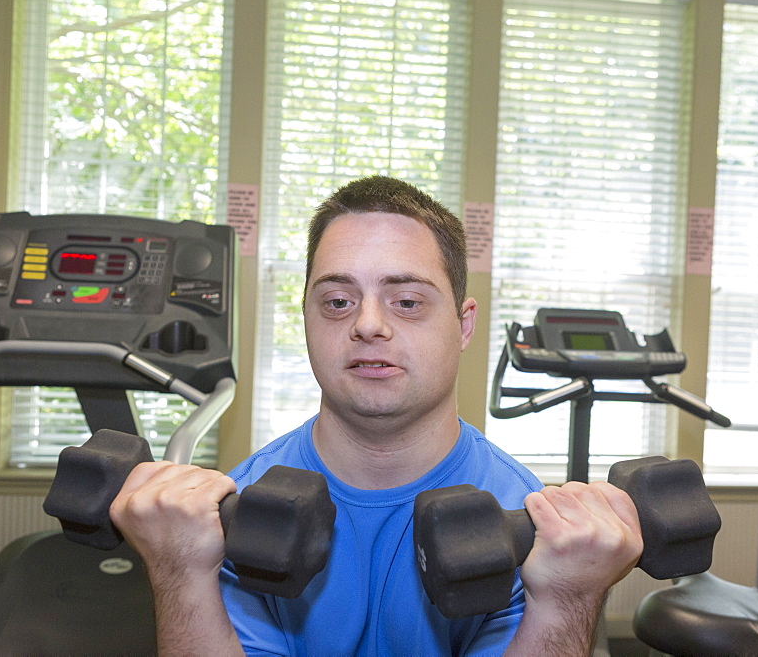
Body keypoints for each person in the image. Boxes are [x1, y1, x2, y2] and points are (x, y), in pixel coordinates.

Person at [111, 175, 643, 655]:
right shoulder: (240, 508)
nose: (368, 324)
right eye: (338, 301)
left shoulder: (521, 521)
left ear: (463, 325)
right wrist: (178, 573)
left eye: (407, 301)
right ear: (306, 320)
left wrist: (568, 601)